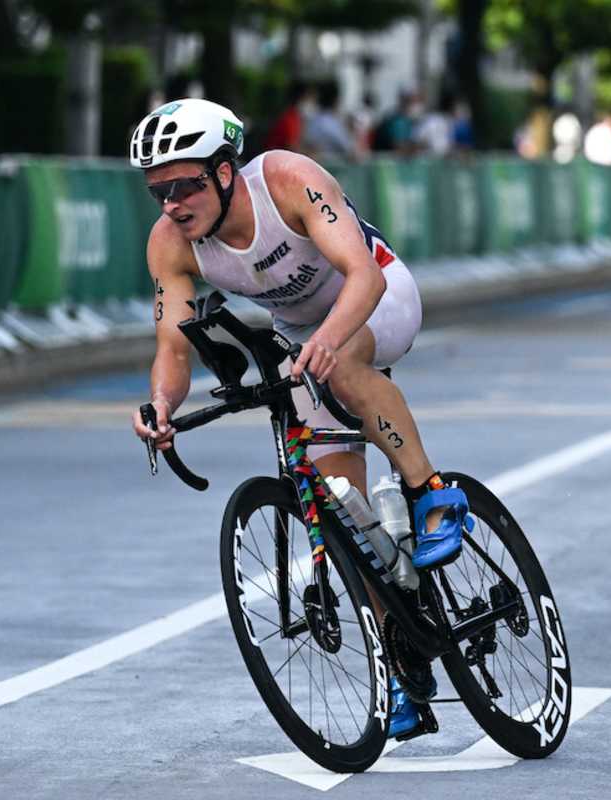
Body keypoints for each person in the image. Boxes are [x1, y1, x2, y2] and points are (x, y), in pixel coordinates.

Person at [127, 99, 468, 738]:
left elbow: (361, 274)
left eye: (183, 185)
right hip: (304, 336)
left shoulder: (285, 179)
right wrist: (163, 407)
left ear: (225, 171)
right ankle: (397, 660)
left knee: (341, 365)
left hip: (377, 297)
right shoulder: (171, 245)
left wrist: (330, 342)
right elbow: (172, 348)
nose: (171, 203)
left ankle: (430, 491)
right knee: (346, 510)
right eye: (157, 191)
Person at [261, 81, 315, 153]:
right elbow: (291, 147)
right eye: (309, 98)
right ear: (301, 98)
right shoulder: (289, 119)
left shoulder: (296, 117)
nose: (312, 103)